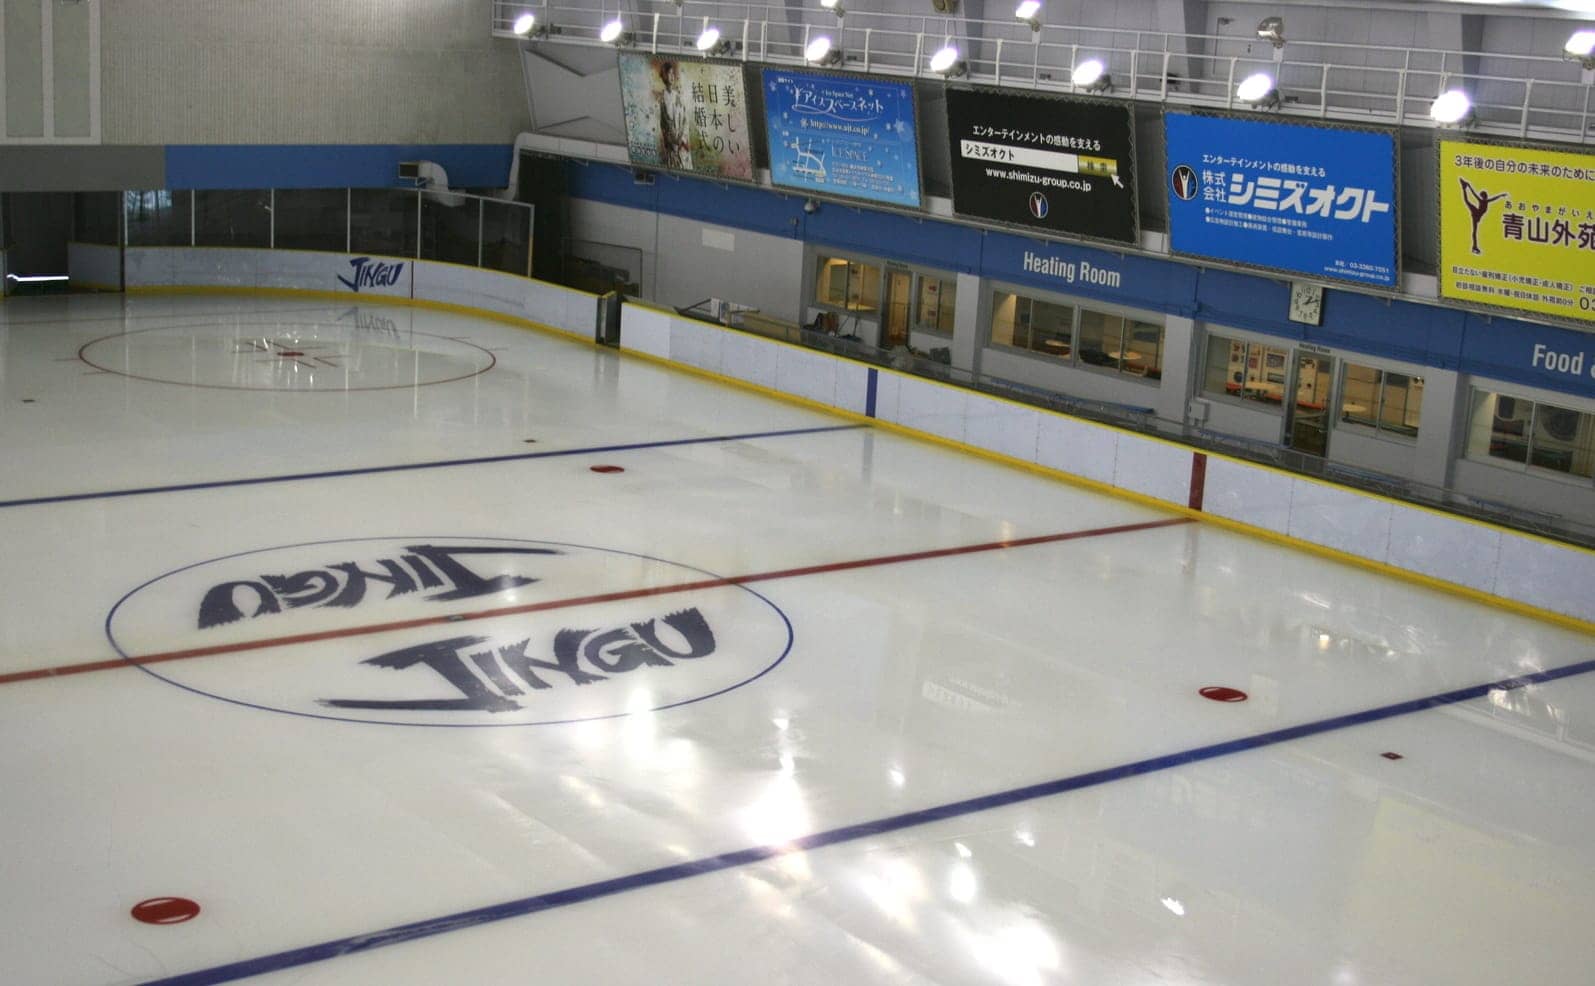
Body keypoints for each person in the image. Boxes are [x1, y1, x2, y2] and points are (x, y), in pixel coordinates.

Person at [656, 61, 692, 170]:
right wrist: (670, 139)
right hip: (671, 144)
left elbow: (686, 118)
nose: (672, 76)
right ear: (664, 76)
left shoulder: (679, 95)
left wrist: (681, 138)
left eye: (673, 73)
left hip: (682, 141)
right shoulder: (661, 99)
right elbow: (662, 124)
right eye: (669, 73)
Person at [1458, 177, 1508, 256]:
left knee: (1474, 231)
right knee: (1467, 202)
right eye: (1483, 196)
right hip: (1476, 213)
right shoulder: (1483, 201)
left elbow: (1494, 198)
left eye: (1483, 196)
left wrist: (1501, 195)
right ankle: (1474, 246)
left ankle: (1474, 246)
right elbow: (1474, 194)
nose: (1484, 197)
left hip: (1477, 215)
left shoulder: (1486, 201)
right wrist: (1469, 186)